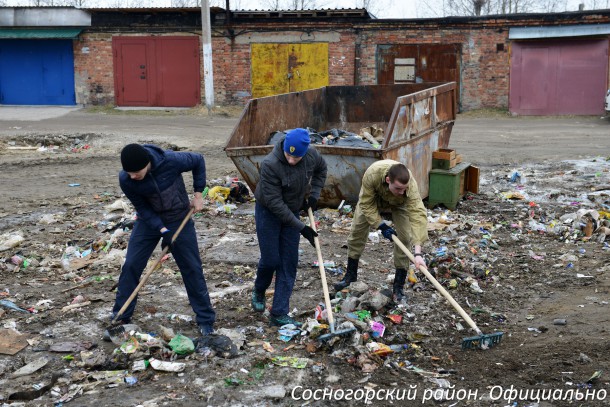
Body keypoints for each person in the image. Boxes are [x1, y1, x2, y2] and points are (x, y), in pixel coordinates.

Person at [107, 143, 216, 338]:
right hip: (148, 222)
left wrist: (198, 194)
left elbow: (198, 159)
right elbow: (143, 208)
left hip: (178, 216)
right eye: (129, 172)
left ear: (147, 163)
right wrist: (162, 229)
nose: (132, 176)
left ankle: (206, 319)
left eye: (136, 172)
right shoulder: (126, 179)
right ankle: (121, 316)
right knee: (131, 264)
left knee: (191, 267)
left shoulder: (171, 161)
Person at [251, 128, 327, 327]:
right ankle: (259, 289)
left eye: (297, 157)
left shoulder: (311, 155)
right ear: (284, 147)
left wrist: (314, 195)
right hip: (269, 212)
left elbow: (321, 169)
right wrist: (302, 227)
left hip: (292, 210)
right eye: (289, 155)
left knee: (288, 262)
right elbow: (275, 203)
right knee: (270, 259)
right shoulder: (270, 164)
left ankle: (278, 312)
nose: (292, 160)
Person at [334, 159, 428, 302]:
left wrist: (418, 252)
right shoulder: (373, 174)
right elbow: (366, 204)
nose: (402, 191)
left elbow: (418, 215)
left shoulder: (409, 188)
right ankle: (350, 276)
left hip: (399, 205)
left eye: (404, 189)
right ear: (388, 179)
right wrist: (381, 225)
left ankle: (398, 287)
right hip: (373, 199)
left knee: (405, 238)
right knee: (357, 232)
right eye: (398, 188)